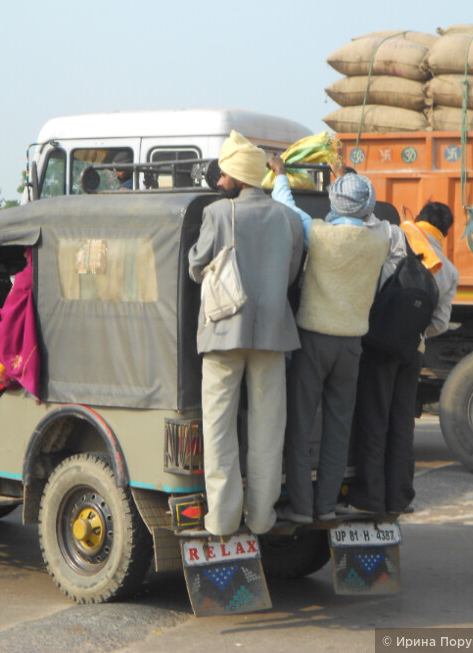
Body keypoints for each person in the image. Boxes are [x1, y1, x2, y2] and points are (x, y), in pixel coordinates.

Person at [188, 130, 304, 536]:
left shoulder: (219, 214)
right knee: (268, 429)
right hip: (273, 334)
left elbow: (196, 265)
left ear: (237, 176)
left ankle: (221, 519)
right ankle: (261, 518)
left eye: (223, 176)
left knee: (219, 429)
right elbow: (290, 276)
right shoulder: (290, 219)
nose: (219, 183)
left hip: (223, 334)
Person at [268, 155, 389, 524]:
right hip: (352, 345)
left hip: (314, 341)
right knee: (339, 428)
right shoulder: (380, 236)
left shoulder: (318, 232)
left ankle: (302, 507)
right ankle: (326, 504)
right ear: (367, 205)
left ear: (333, 202)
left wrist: (281, 176)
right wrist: (347, 178)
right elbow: (369, 209)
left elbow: (286, 209)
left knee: (301, 426)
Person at [344, 202, 459, 517]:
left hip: (377, 345)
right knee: (401, 423)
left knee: (373, 418)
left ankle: (369, 496)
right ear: (444, 232)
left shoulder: (396, 235)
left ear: (419, 218)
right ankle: (400, 497)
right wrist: (411, 332)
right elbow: (439, 324)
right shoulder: (447, 269)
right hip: (412, 351)